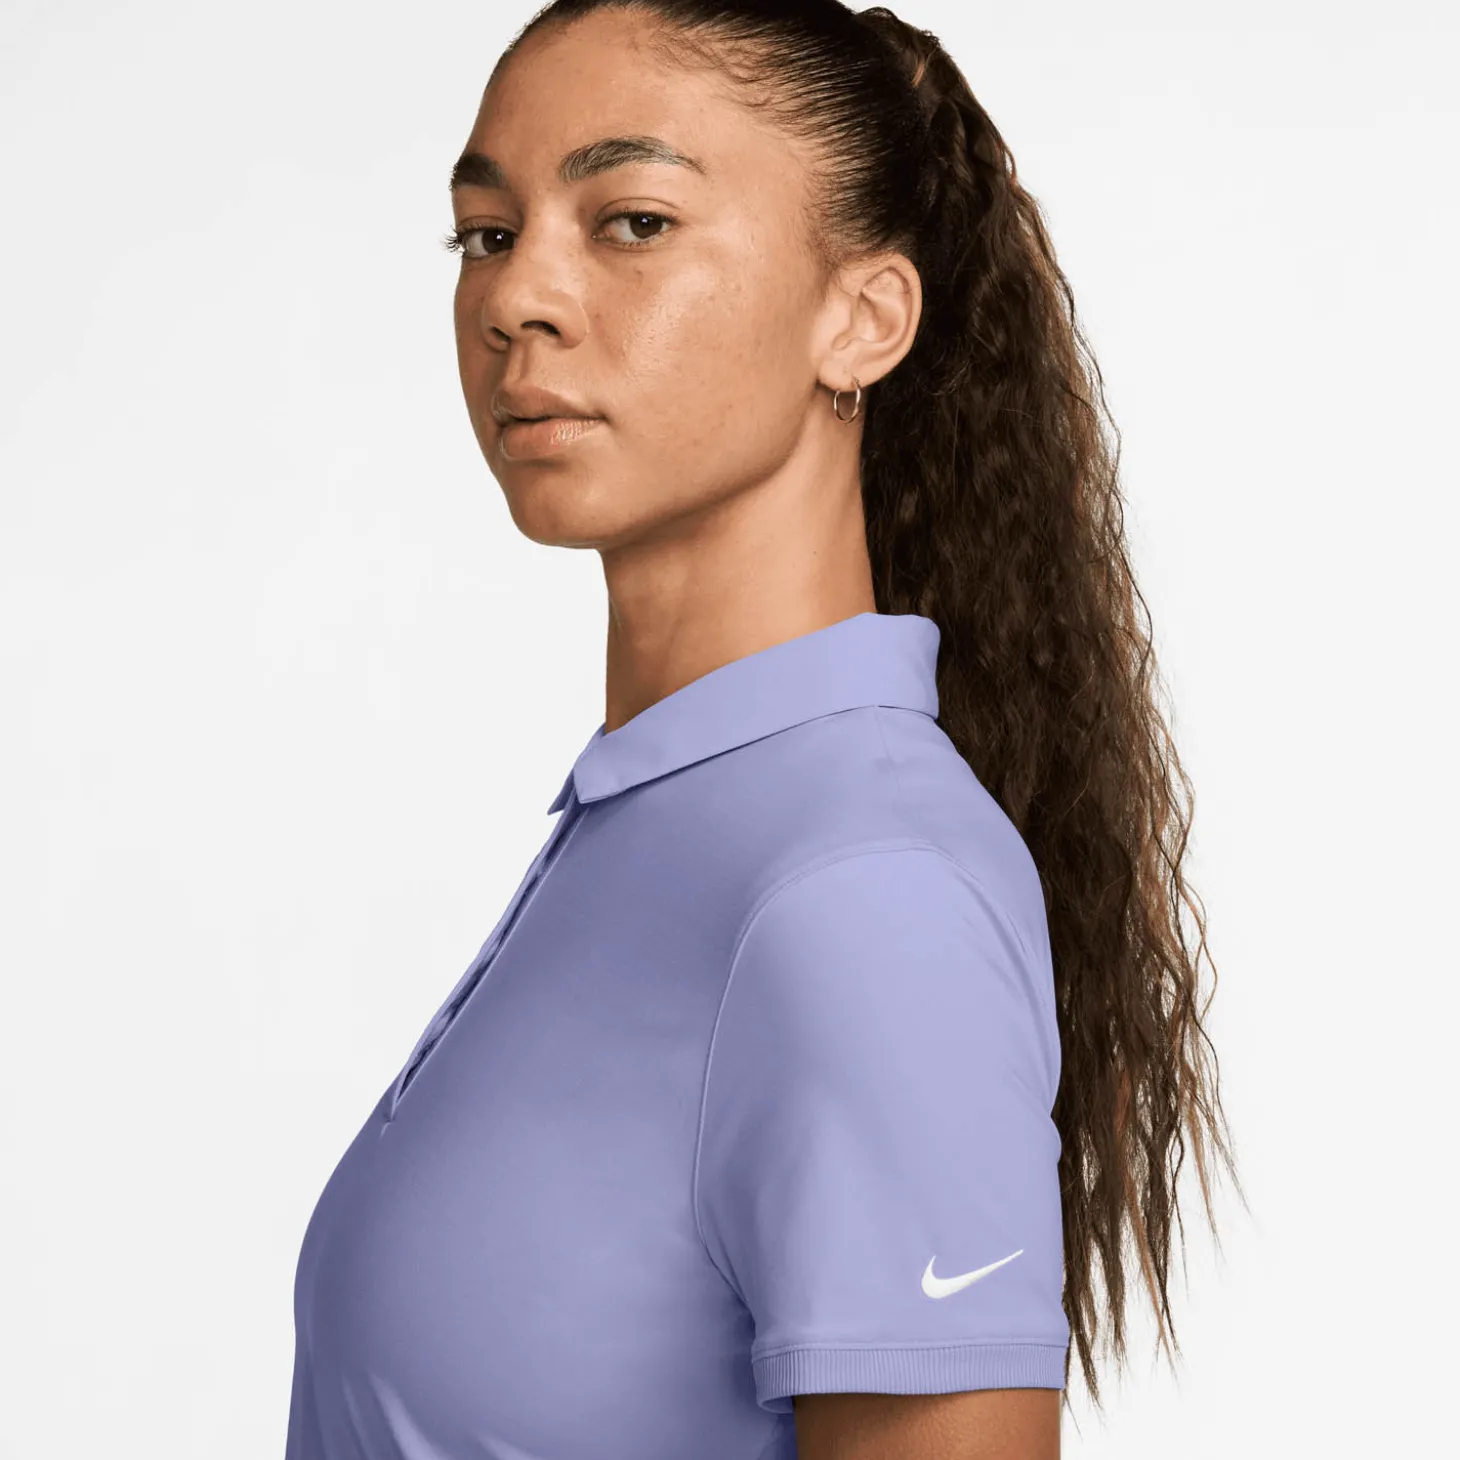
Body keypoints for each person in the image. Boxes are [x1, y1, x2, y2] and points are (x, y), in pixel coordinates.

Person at [284, 3, 1242, 1457]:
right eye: (487, 233)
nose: (516, 295)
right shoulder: (659, 825)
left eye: (633, 222)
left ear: (862, 320)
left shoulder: (861, 892)